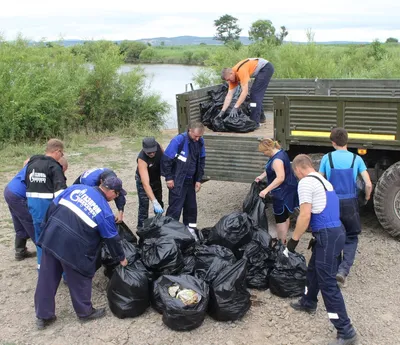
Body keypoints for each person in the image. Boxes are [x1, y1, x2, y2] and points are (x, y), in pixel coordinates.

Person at [34, 175, 128, 330]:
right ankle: (85, 312)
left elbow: (52, 206)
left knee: (47, 277)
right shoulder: (104, 211)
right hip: (74, 246)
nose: (116, 197)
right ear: (111, 191)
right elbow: (112, 238)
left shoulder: (76, 189)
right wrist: (121, 258)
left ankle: (43, 316)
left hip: (52, 236)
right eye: (117, 194)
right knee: (81, 276)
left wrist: (46, 227)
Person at [287, 154, 357, 345]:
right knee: (313, 270)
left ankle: (346, 331)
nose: (297, 176)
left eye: (295, 173)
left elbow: (304, 216)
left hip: (327, 235)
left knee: (327, 283)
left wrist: (293, 241)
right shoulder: (323, 181)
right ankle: (308, 301)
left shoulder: (306, 183)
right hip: (334, 233)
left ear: (299, 169)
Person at [319, 127, 372, 286]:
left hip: (332, 203)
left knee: (335, 235)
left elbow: (319, 181)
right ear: (347, 141)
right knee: (351, 236)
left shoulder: (327, 158)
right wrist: (367, 197)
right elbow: (368, 184)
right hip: (350, 203)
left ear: (333, 142)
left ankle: (334, 270)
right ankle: (343, 271)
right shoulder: (357, 159)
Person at [4, 157, 68, 261]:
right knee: (32, 222)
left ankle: (20, 251)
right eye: (64, 170)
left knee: (20, 222)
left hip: (10, 190)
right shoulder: (49, 169)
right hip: (19, 195)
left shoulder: (37, 164)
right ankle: (44, 254)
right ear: (61, 166)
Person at [25, 139, 68, 270]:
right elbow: (61, 194)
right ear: (58, 151)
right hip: (48, 212)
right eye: (62, 153)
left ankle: (42, 270)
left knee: (40, 241)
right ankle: (65, 274)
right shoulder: (54, 167)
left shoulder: (32, 165)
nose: (62, 156)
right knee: (59, 241)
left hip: (34, 210)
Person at [161, 121, 206, 235]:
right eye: (195, 136)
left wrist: (198, 180)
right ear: (189, 130)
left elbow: (201, 161)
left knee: (191, 209)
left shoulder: (200, 142)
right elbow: (166, 160)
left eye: (199, 136)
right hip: (178, 181)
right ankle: (170, 234)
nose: (197, 139)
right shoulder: (178, 141)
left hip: (191, 181)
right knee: (175, 209)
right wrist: (169, 178)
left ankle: (190, 232)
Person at [256, 139, 298, 243]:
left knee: (280, 219)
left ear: (269, 148)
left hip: (281, 193)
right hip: (289, 189)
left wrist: (266, 190)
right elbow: (271, 169)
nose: (263, 154)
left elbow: (280, 178)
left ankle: (281, 243)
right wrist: (261, 176)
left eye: (264, 152)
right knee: (286, 215)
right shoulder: (281, 153)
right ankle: (283, 239)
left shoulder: (276, 161)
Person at [218, 58, 275, 127]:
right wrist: (222, 111)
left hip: (266, 68)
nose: (229, 81)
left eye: (229, 79)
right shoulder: (232, 78)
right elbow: (229, 95)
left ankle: (255, 122)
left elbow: (244, 92)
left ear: (231, 73)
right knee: (255, 95)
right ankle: (261, 117)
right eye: (227, 80)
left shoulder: (241, 71)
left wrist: (236, 107)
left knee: (255, 94)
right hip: (260, 69)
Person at [135, 137, 164, 229]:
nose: (152, 154)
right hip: (143, 181)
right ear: (144, 150)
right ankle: (141, 229)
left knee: (159, 201)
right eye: (149, 152)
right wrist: (154, 201)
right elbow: (145, 184)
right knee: (144, 205)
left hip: (156, 177)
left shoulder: (158, 147)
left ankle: (159, 225)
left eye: (153, 151)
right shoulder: (142, 159)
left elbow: (165, 159)